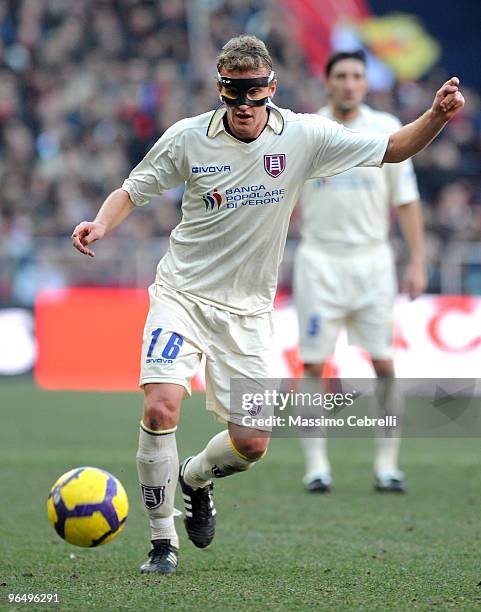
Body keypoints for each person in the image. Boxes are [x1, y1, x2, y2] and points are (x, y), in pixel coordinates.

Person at [71, 35, 464, 575]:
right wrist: (100, 222)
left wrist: (436, 116)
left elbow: (393, 147)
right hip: (181, 295)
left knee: (252, 443)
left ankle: (194, 478)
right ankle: (162, 544)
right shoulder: (187, 138)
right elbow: (133, 189)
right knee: (161, 405)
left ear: (271, 91)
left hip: (250, 311)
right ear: (222, 93)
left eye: (256, 97)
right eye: (236, 98)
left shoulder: (302, 135)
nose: (247, 109)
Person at [294, 50, 426, 495]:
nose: (349, 83)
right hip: (319, 259)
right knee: (313, 362)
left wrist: (419, 261)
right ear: (327, 82)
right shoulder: (306, 130)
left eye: (356, 76)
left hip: (373, 261)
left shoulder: (387, 130)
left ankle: (387, 465)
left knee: (385, 363)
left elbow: (405, 201)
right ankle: (316, 467)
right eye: (341, 76)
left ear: (365, 83)